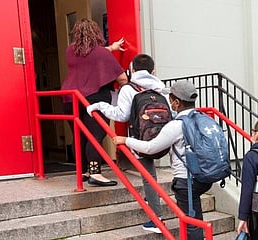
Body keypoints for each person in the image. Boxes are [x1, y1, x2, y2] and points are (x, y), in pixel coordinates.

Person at [112, 80, 211, 240]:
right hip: (204, 176)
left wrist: (126, 140)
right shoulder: (202, 118)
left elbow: (151, 148)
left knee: (190, 223)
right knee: (195, 216)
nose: (169, 102)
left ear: (177, 102)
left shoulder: (176, 125)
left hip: (186, 180)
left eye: (170, 99)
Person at [86, 53, 166, 233]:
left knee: (148, 176)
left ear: (132, 70)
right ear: (153, 71)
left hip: (141, 137)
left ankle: (157, 219)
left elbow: (121, 115)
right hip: (163, 138)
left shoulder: (129, 89)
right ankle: (151, 200)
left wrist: (100, 105)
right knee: (150, 174)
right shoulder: (160, 88)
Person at [61, 18, 127, 187]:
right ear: (96, 32)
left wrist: (110, 48)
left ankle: (83, 171)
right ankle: (96, 173)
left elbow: (88, 54)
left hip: (70, 99)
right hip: (95, 98)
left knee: (80, 135)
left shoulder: (70, 51)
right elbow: (122, 78)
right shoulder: (101, 53)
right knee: (95, 136)